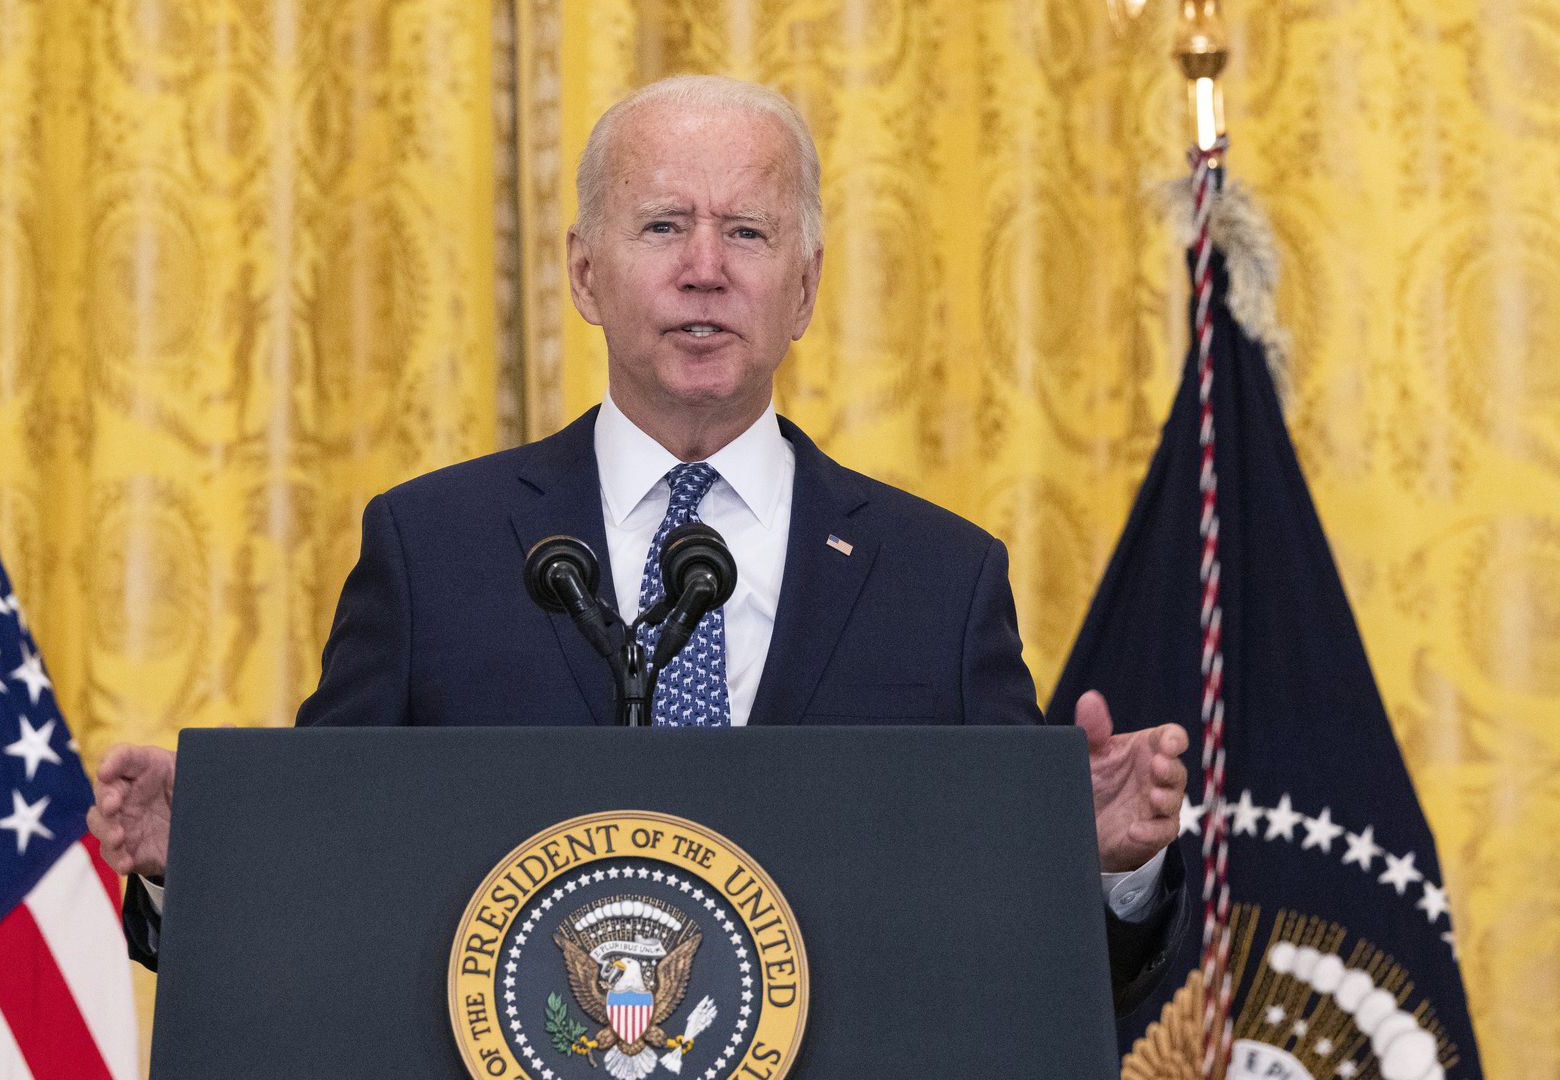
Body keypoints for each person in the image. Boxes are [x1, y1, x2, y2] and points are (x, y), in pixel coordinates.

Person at [90, 75, 1192, 1012]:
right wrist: (214, 861)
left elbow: (1032, 972)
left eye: (748, 232)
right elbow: (329, 883)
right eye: (663, 226)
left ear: (803, 287)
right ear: (583, 274)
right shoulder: (435, 552)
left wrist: (1097, 868)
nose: (704, 268)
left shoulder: (940, 580)